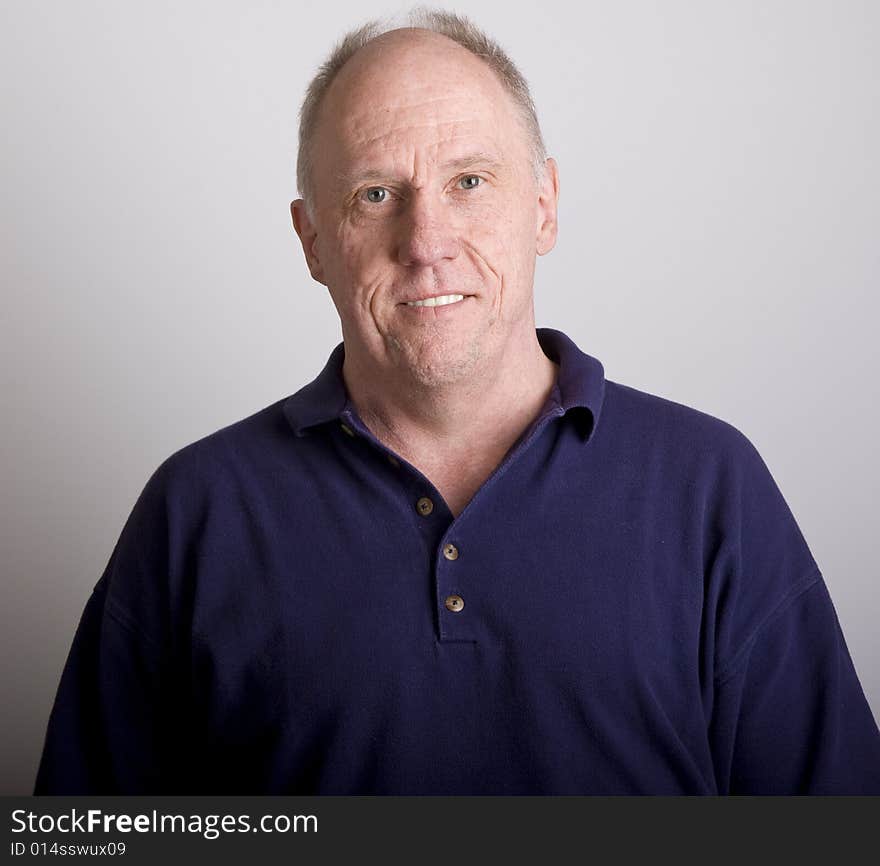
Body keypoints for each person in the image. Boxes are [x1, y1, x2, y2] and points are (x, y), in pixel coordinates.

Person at [34, 7, 880, 795]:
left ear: (543, 206)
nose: (427, 242)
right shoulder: (198, 513)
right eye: (375, 194)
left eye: (470, 181)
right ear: (313, 241)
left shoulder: (708, 488)